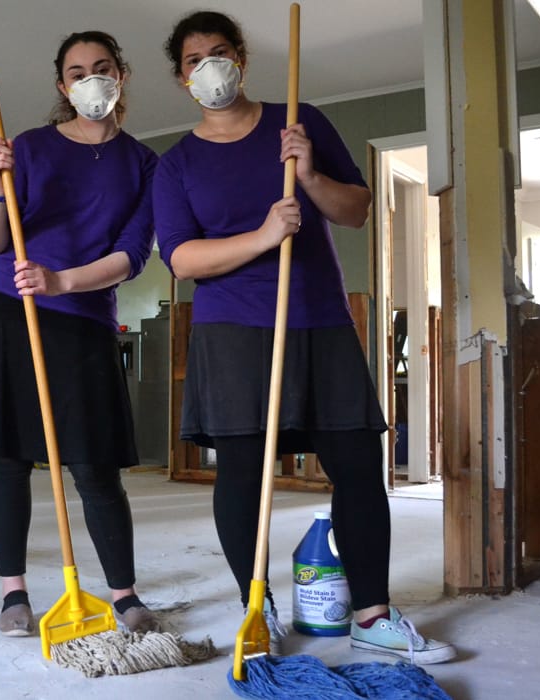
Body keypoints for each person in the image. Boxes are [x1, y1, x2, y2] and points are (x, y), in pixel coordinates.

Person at [152, 10, 455, 664]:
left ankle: (372, 612)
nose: (211, 66)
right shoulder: (176, 163)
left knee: (355, 465)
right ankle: (254, 607)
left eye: (221, 51)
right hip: (231, 328)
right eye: (195, 58)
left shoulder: (300, 120)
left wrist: (310, 174)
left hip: (317, 315)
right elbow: (180, 259)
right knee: (240, 471)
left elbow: (357, 209)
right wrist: (264, 235)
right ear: (182, 78)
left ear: (242, 59)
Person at [0, 30, 160, 637]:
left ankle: (124, 595)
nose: (89, 79)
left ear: (121, 74)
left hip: (83, 318)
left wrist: (61, 281)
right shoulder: (27, 147)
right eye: (76, 71)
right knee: (10, 457)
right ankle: (12, 594)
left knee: (95, 464)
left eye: (101, 67)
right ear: (61, 85)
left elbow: (132, 255)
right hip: (9, 309)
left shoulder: (145, 164)